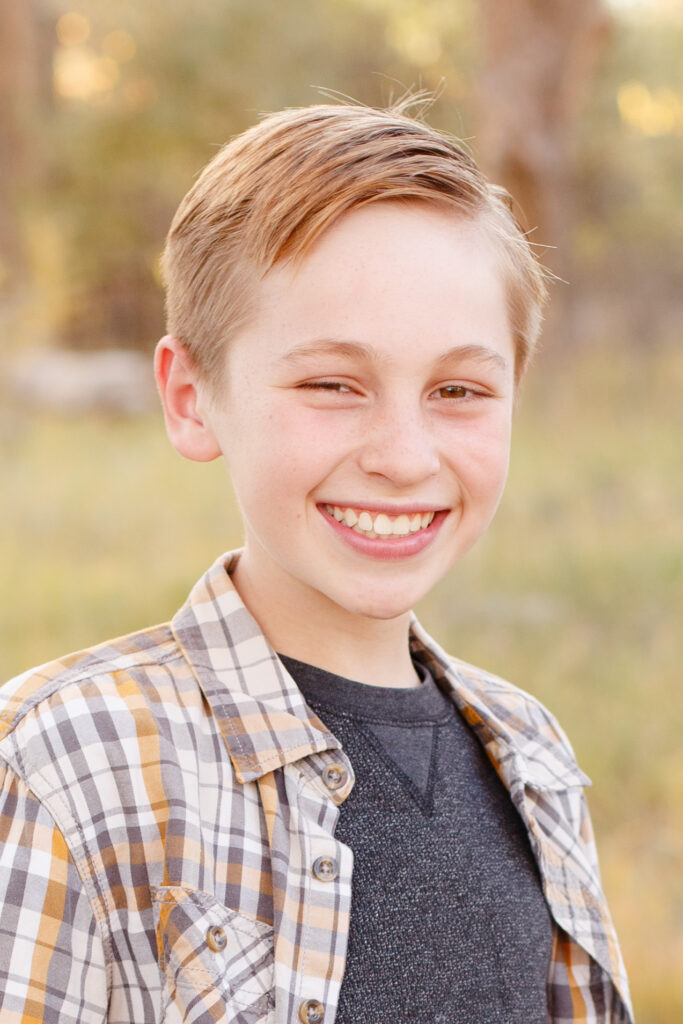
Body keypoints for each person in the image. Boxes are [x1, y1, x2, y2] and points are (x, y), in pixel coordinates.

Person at [0, 102, 633, 1024]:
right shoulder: (66, 760)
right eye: (332, 385)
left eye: (457, 390)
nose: (404, 455)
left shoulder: (530, 754)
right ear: (191, 398)